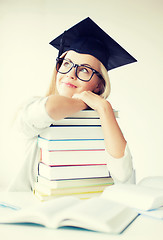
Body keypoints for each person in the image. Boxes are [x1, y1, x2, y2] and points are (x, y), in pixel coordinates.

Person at [8, 17, 136, 191]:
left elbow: (124, 177)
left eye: (84, 69)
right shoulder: (32, 106)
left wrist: (104, 108)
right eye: (66, 63)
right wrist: (83, 102)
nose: (70, 74)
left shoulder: (102, 121)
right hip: (30, 206)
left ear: (99, 84)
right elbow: (51, 108)